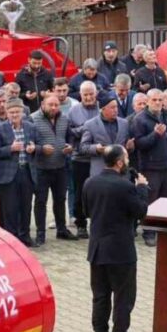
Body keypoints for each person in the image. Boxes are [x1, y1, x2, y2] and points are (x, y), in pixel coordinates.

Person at [81, 145, 150, 332]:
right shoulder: (125, 186)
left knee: (100, 295)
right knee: (123, 296)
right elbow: (140, 211)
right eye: (127, 158)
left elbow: (86, 211)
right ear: (119, 162)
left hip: (97, 248)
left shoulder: (90, 182)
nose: (128, 162)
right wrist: (142, 188)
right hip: (120, 250)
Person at [133, 89, 167, 246]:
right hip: (151, 167)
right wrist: (155, 134)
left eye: (161, 100)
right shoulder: (140, 119)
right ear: (147, 101)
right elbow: (139, 144)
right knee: (151, 200)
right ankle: (149, 232)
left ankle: (166, 230)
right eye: (155, 100)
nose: (158, 103)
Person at [0, 98, 39, 247]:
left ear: (23, 112)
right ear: (7, 113)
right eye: (11, 112)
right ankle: (12, 240)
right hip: (8, 175)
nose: (14, 115)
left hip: (27, 172)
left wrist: (34, 148)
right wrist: (10, 149)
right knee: (10, 208)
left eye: (17, 112)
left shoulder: (31, 127)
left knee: (26, 206)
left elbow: (38, 145)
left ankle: (25, 236)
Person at [31, 93, 77, 244]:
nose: (53, 108)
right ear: (42, 105)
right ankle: (40, 233)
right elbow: (27, 142)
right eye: (50, 105)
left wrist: (70, 146)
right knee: (41, 201)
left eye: (56, 105)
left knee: (60, 199)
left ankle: (62, 229)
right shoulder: (32, 119)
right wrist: (40, 148)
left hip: (60, 166)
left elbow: (70, 136)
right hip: (41, 168)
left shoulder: (64, 118)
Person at [67, 81, 101, 238]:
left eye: (91, 94)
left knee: (99, 193)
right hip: (80, 158)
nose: (88, 97)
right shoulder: (73, 111)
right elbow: (69, 133)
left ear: (96, 94)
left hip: (100, 158)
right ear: (80, 95)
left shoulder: (103, 108)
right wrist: (87, 127)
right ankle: (81, 224)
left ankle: (98, 222)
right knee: (80, 192)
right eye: (85, 94)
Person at [80, 92, 132, 178]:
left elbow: (126, 147)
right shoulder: (90, 124)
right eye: (112, 107)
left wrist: (130, 147)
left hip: (121, 173)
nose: (116, 110)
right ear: (103, 109)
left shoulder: (124, 123)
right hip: (100, 173)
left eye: (116, 107)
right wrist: (96, 148)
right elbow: (83, 148)